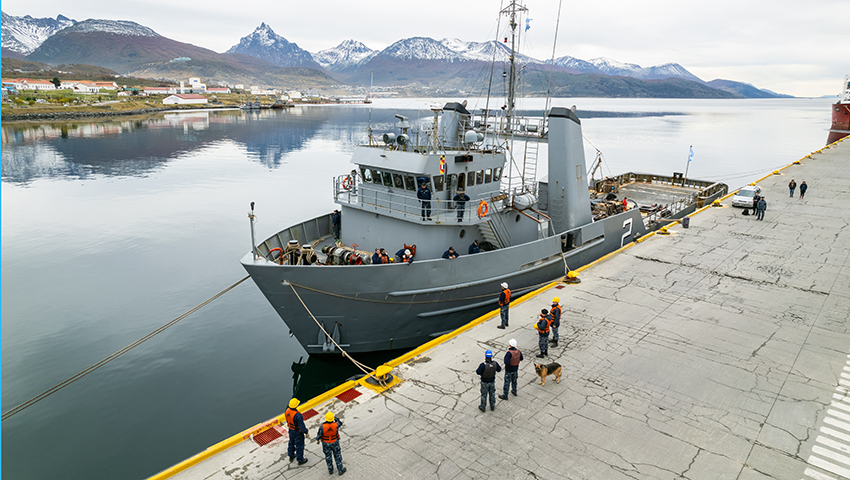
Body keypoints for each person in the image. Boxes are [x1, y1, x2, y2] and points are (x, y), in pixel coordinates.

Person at [315, 411, 346, 476]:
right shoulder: (336, 425)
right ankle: (340, 470)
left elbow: (319, 434)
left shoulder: (322, 426)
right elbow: (340, 422)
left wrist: (317, 439)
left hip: (325, 443)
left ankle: (330, 470)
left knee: (328, 456)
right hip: (334, 442)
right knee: (337, 456)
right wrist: (335, 418)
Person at [285, 398, 310, 465]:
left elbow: (287, 420)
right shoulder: (298, 415)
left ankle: (291, 454)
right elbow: (301, 427)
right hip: (297, 432)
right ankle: (300, 459)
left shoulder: (287, 411)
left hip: (291, 430)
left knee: (291, 442)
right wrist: (306, 432)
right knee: (299, 445)